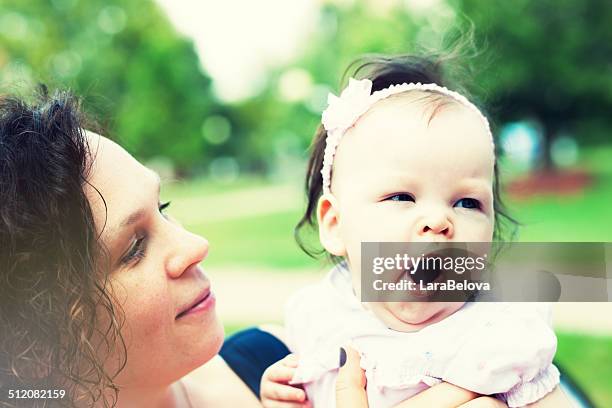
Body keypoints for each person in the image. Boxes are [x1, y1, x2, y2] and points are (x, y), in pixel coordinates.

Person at [259, 55, 573, 408]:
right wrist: (284, 394)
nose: (439, 220)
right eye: (402, 196)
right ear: (334, 226)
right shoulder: (322, 317)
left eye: (467, 203)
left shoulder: (499, 337)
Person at [0, 89, 268, 408]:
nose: (196, 245)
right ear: (40, 345)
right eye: (134, 248)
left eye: (162, 206)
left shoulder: (285, 362)